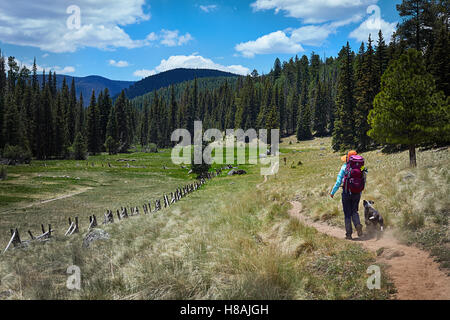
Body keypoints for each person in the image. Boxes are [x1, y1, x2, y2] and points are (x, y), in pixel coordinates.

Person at [330, 150, 364, 240]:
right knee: (354, 211)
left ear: (347, 158)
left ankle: (349, 234)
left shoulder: (344, 167)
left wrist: (333, 192)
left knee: (347, 214)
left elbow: (338, 181)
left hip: (346, 193)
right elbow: (364, 178)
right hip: (357, 193)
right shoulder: (361, 167)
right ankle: (358, 225)